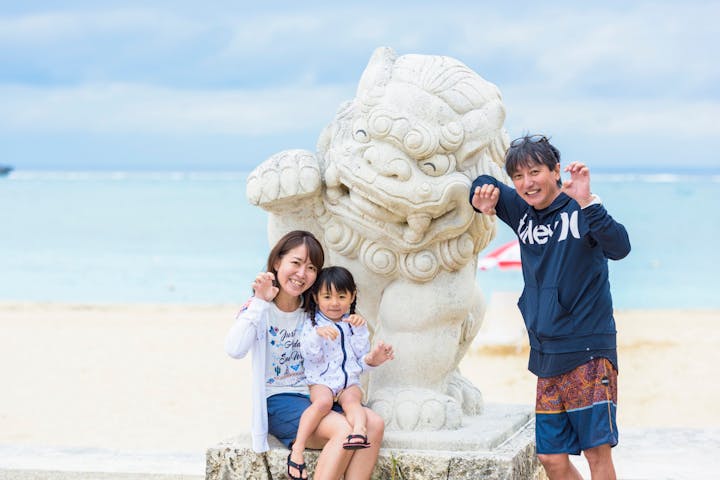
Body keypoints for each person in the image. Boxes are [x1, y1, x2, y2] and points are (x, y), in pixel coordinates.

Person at [469, 135, 631, 480]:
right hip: (546, 354)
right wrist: (480, 195)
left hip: (588, 349)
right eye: (518, 176)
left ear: (555, 170)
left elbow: (620, 247)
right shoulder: (522, 212)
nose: (527, 183)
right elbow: (484, 183)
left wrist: (589, 203)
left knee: (595, 454)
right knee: (550, 458)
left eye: (535, 172)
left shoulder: (581, 209)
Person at [224, 230, 390, 480]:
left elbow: (343, 357)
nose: (302, 274)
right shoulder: (259, 309)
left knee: (374, 425)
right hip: (279, 399)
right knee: (345, 431)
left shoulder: (316, 312)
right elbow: (234, 349)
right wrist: (259, 301)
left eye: (311, 267)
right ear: (277, 262)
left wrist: (371, 359)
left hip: (319, 393)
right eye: (296, 263)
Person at [289, 266, 394, 475]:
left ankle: (359, 431)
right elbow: (309, 355)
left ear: (352, 296)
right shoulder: (313, 324)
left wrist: (374, 359)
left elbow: (359, 358)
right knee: (323, 402)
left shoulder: (355, 324)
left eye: (341, 296)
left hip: (348, 382)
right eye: (327, 296)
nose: (335, 303)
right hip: (322, 381)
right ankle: (298, 447)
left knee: (353, 399)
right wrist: (318, 336)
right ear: (317, 298)